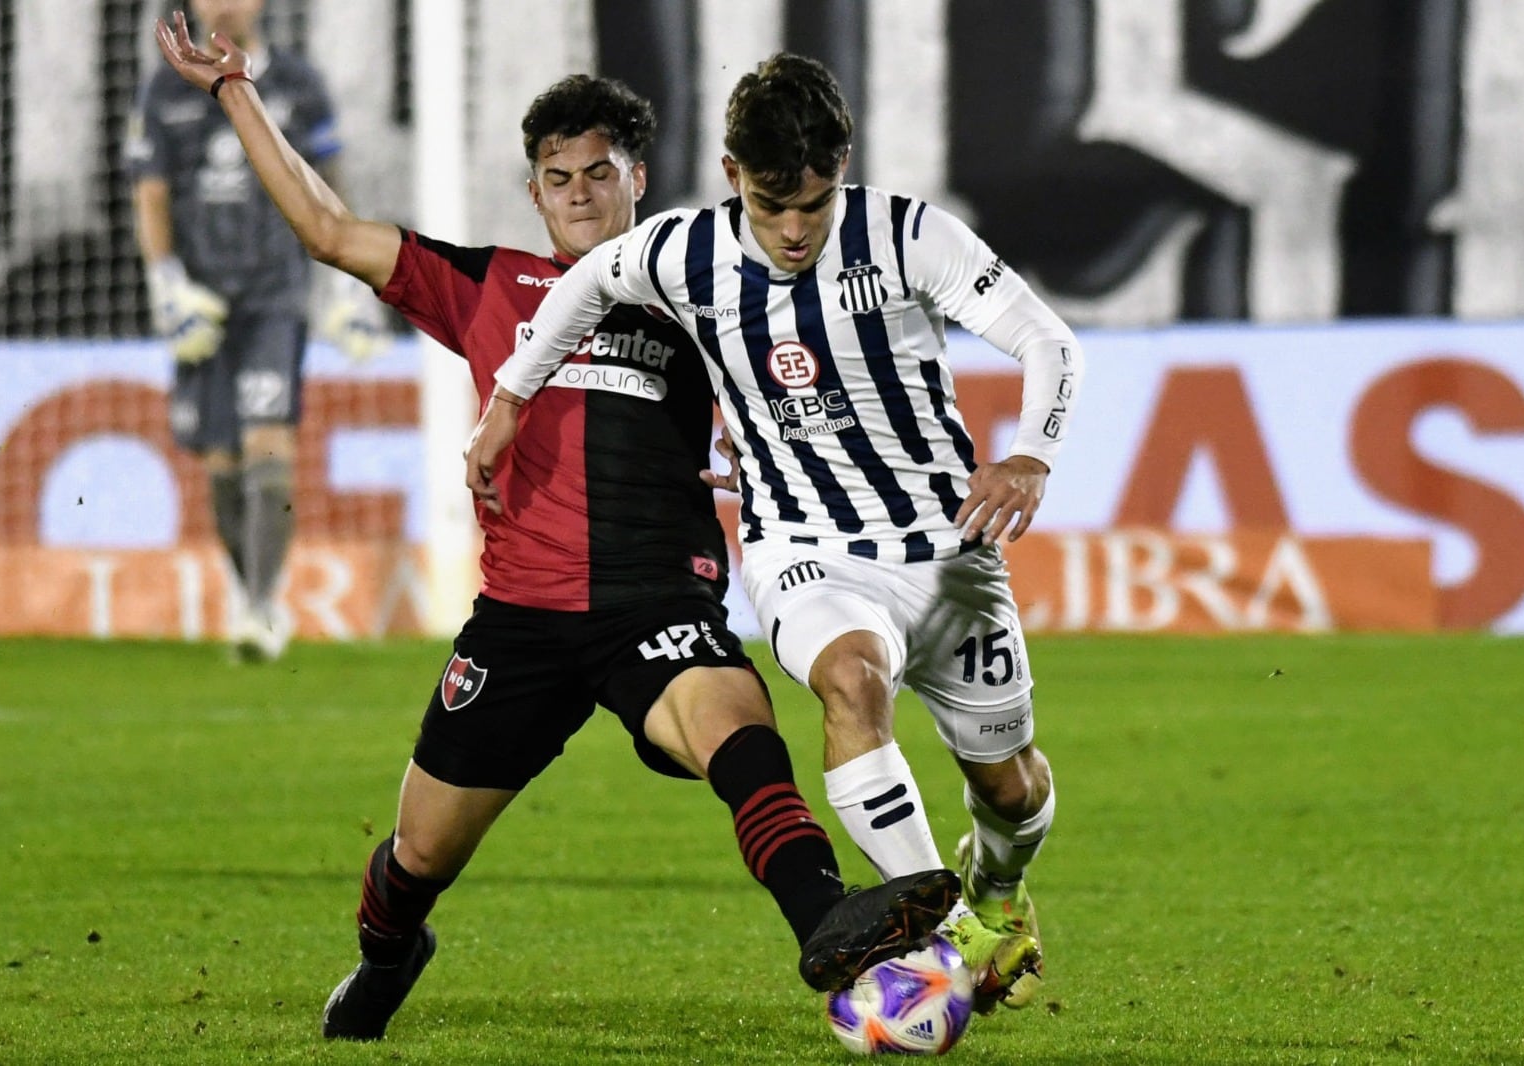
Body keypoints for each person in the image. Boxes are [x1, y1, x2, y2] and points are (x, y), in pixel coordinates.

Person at [152, 15, 960, 1044]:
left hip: (655, 606)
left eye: (598, 171)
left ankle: (833, 931)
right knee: (417, 857)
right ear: (534, 192)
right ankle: (389, 953)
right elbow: (328, 231)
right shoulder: (491, 287)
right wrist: (234, 92)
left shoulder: (702, 288)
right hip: (521, 623)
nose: (578, 191)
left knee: (741, 736)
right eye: (557, 175)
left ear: (637, 178)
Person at [469, 52, 1086, 1014]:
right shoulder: (686, 250)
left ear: (843, 165)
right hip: (805, 548)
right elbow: (585, 283)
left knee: (1008, 785)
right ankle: (950, 938)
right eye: (770, 207)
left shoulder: (906, 234)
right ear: (730, 176)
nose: (794, 231)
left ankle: (999, 894)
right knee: (850, 683)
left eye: (813, 204)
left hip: (947, 551)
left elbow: (1048, 339)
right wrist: (510, 399)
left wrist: (1031, 455)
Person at [126, 0, 386, 662]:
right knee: (220, 461)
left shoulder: (298, 84)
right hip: (204, 298)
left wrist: (342, 276)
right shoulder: (166, 84)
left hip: (277, 291)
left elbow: (330, 178)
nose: (224, 4)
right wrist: (165, 282)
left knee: (269, 443)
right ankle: (251, 595)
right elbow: (149, 189)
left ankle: (263, 607)